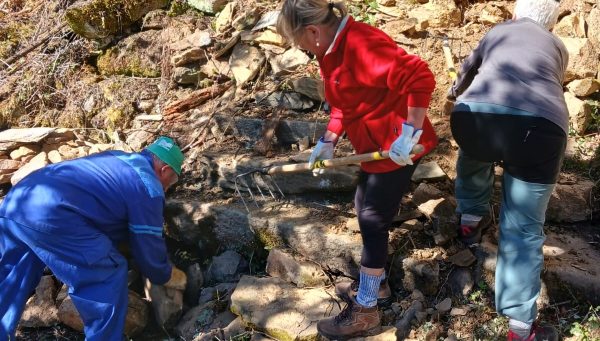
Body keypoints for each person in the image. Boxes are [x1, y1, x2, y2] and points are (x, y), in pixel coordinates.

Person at [277, 0, 437, 338]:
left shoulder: (361, 45)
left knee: (373, 218)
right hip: (374, 149)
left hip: (398, 146)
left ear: (313, 31)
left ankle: (366, 310)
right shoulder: (329, 52)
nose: (301, 49)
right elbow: (343, 102)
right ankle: (376, 287)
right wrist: (329, 139)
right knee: (363, 206)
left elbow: (420, 76)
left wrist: (411, 131)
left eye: (299, 42)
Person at [448, 0, 566, 340]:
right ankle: (520, 328)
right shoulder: (556, 46)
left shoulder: (498, 31)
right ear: (552, 25)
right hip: (539, 130)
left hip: (475, 118)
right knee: (524, 228)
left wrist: (455, 93)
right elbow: (550, 86)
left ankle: (470, 219)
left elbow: (467, 72)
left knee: (475, 154)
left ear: (516, 13)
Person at [0, 136, 187, 341]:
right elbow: (148, 248)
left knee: (13, 275)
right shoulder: (149, 186)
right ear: (165, 169)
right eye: (174, 179)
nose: (169, 187)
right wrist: (166, 275)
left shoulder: (119, 158)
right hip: (53, 215)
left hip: (17, 201)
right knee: (107, 275)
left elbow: (101, 205)